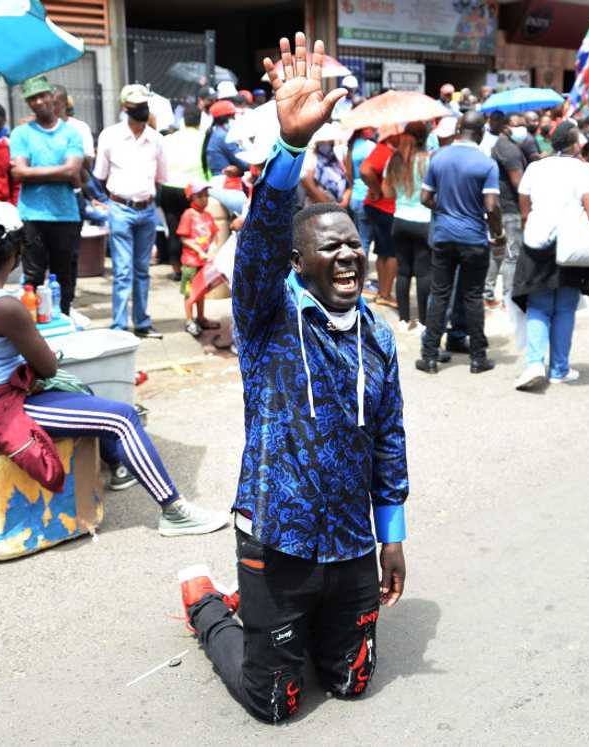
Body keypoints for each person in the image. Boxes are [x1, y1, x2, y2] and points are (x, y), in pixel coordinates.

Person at [177, 34, 407, 723]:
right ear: (298, 262)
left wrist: (392, 532)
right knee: (274, 703)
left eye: (354, 244)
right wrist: (289, 146)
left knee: (354, 681)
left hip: (352, 544)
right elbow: (259, 241)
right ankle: (208, 605)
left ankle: (285, 629)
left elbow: (389, 437)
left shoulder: (378, 336)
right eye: (330, 246)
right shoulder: (267, 315)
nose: (348, 255)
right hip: (277, 539)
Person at [0, 201, 228, 533]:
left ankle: (119, 467)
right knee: (122, 417)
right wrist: (42, 353)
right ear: (15, 250)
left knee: (82, 392)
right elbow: (47, 367)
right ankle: (174, 512)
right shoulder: (4, 306)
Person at [512, 121, 589, 391]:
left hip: (536, 244)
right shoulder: (585, 170)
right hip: (572, 246)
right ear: (576, 145)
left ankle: (534, 364)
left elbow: (524, 209)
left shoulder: (535, 168)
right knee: (565, 307)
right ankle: (559, 369)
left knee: (538, 306)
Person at [416, 111, 504, 374]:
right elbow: (491, 207)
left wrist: (444, 210)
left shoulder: (438, 158)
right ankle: (478, 358)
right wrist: (498, 234)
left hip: (443, 236)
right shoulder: (487, 163)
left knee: (440, 294)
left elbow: (424, 198)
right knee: (473, 296)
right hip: (474, 237)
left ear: (458, 129)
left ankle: (430, 356)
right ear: (480, 132)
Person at [94, 84, 167, 338]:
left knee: (142, 270)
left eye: (145, 105)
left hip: (146, 210)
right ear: (126, 108)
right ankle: (119, 326)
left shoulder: (156, 139)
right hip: (120, 209)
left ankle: (142, 323)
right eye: (138, 106)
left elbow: (160, 178)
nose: (143, 110)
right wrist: (114, 199)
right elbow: (100, 176)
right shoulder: (110, 136)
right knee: (123, 271)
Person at [9, 75, 84, 315]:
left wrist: (32, 172)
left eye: (42, 95)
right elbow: (18, 174)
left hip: (65, 214)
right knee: (32, 275)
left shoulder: (71, 133)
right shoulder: (21, 134)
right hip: (31, 214)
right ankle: (33, 321)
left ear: (53, 96)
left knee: (65, 274)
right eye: (32, 98)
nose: (39, 102)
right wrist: (61, 172)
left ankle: (64, 317)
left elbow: (73, 170)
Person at [384, 121, 432, 332]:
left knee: (403, 272)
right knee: (423, 273)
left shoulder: (393, 159)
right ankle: (423, 321)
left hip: (400, 219)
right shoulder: (428, 160)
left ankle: (403, 319)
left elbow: (387, 192)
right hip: (423, 221)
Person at [161, 103, 207, 280]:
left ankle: (177, 269)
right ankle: (194, 268)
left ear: (183, 120)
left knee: (174, 229)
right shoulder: (204, 138)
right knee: (195, 229)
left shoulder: (169, 139)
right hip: (193, 189)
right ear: (200, 121)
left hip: (169, 187)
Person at [485, 110, 526, 310]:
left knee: (498, 252)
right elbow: (519, 184)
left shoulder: (501, 146)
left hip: (499, 207)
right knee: (512, 255)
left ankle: (487, 292)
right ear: (506, 126)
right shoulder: (509, 150)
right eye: (518, 125)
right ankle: (508, 298)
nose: (522, 129)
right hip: (510, 209)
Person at [359, 130, 398, 307]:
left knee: (383, 251)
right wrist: (377, 190)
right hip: (385, 208)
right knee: (391, 252)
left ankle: (383, 292)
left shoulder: (384, 149)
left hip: (378, 207)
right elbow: (365, 170)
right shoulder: (385, 149)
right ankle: (385, 294)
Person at [176, 180, 219, 337]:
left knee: (201, 291)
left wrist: (212, 248)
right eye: (200, 196)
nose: (204, 199)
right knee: (190, 292)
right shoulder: (188, 215)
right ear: (191, 198)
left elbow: (214, 234)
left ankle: (201, 318)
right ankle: (189, 320)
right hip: (191, 262)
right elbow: (183, 238)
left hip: (204, 262)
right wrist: (199, 250)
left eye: (206, 195)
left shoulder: (208, 216)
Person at [203, 99, 250, 217]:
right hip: (224, 183)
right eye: (233, 117)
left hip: (226, 181)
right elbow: (244, 163)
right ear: (227, 118)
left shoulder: (219, 132)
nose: (235, 119)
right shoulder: (223, 135)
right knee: (250, 210)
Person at [301, 123, 349, 205]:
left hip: (340, 204)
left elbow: (348, 180)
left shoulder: (336, 157)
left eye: (330, 142)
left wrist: (345, 201)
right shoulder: (310, 159)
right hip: (320, 207)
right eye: (322, 142)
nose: (327, 144)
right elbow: (309, 186)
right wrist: (330, 206)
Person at [346, 127, 376, 252]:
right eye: (371, 128)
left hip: (355, 197)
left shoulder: (351, 146)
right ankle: (362, 264)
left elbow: (349, 173)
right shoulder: (370, 147)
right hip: (367, 196)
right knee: (365, 239)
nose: (374, 129)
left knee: (358, 236)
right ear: (363, 130)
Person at [51, 85, 95, 167]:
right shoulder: (36, 128)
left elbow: (89, 160)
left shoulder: (80, 127)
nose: (51, 108)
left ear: (65, 104)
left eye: (55, 104)